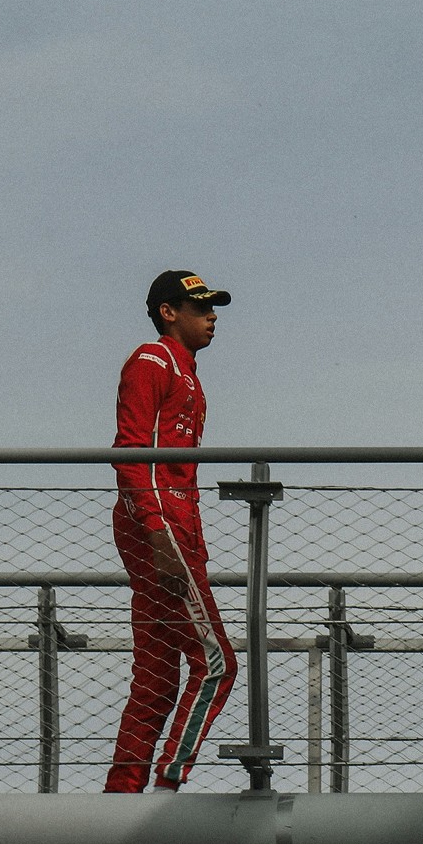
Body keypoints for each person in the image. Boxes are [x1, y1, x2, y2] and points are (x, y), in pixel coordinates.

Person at [104, 270, 239, 793]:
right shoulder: (151, 360)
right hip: (158, 525)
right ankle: (167, 787)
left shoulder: (188, 373)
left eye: (213, 308)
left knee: (157, 676)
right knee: (217, 664)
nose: (212, 317)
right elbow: (131, 451)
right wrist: (159, 532)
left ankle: (121, 798)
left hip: (173, 527)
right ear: (169, 312)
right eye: (200, 306)